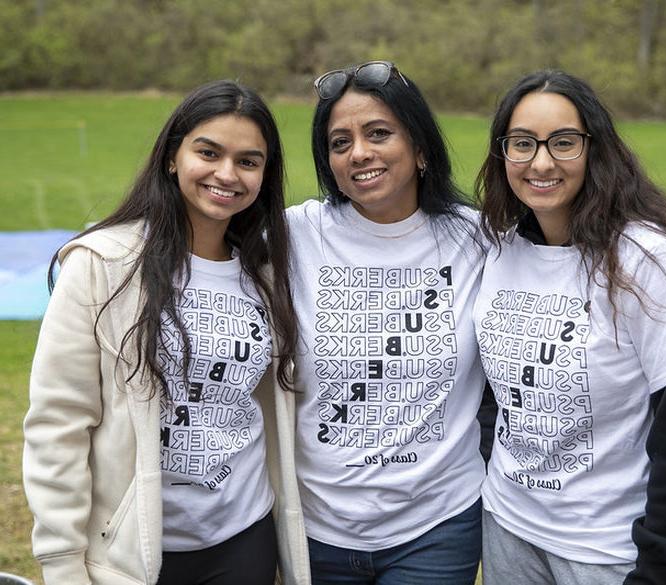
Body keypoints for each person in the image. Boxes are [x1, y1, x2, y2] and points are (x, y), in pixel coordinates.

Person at [23, 80, 310, 585]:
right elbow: (58, 423)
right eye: (209, 152)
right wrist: (62, 560)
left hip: (244, 537)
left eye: (248, 161)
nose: (227, 173)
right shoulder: (103, 264)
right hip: (133, 551)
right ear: (173, 157)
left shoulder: (266, 274)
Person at [474, 70, 666, 585]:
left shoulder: (647, 260)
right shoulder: (502, 250)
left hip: (606, 550)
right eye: (523, 143)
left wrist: (659, 558)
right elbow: (489, 389)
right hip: (507, 527)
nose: (541, 162)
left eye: (563, 143)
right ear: (502, 153)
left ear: (596, 150)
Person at [286, 61, 486, 584]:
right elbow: (188, 229)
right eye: (339, 142)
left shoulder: (481, 240)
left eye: (378, 133)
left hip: (437, 527)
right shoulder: (291, 235)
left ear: (420, 148)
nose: (358, 153)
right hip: (314, 528)